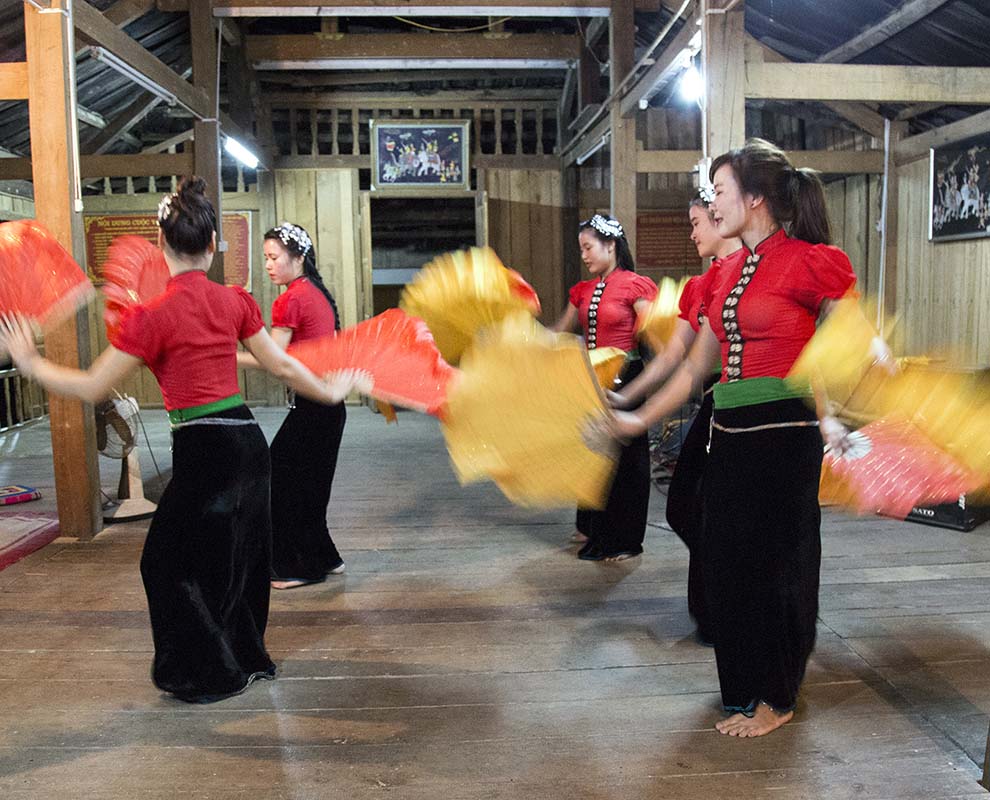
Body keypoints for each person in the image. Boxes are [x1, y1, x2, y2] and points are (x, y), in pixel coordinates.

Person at [0, 177, 360, 704]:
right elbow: (281, 364)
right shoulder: (235, 300)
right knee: (237, 559)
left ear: (160, 246)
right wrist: (330, 391)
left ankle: (211, 672)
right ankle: (246, 657)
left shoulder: (150, 316)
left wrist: (31, 362)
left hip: (204, 448)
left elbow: (93, 386)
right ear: (213, 246)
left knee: (165, 563)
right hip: (248, 442)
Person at [611, 139, 864, 737]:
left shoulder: (807, 260)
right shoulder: (725, 274)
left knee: (777, 566)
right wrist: (635, 419)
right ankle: (743, 687)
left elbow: (845, 333)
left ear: (755, 200)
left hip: (783, 435)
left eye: (720, 192)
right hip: (728, 432)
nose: (712, 203)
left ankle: (777, 695)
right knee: (725, 564)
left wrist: (836, 408)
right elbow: (699, 367)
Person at [610, 192, 741, 643]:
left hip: (738, 401)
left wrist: (636, 412)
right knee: (686, 506)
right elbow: (673, 359)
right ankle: (713, 603)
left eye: (696, 222)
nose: (692, 232)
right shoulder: (703, 284)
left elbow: (691, 366)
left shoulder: (745, 271)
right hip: (713, 400)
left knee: (696, 507)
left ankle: (722, 606)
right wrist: (627, 399)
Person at [238, 222, 348, 589]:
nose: (268, 265)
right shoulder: (316, 291)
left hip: (316, 403)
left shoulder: (291, 298)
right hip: (329, 406)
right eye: (265, 258)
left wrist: (227, 355)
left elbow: (274, 358)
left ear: (298, 258)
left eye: (273, 257)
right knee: (311, 488)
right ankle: (325, 558)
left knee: (283, 484)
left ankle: (297, 567)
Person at [552, 214, 657, 561]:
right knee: (591, 451)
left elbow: (654, 335)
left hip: (626, 373)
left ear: (611, 246)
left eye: (588, 247)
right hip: (590, 377)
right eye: (580, 248)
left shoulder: (635, 285)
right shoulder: (582, 291)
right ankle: (592, 527)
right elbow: (561, 333)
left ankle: (625, 539)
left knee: (627, 460)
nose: (583, 255)